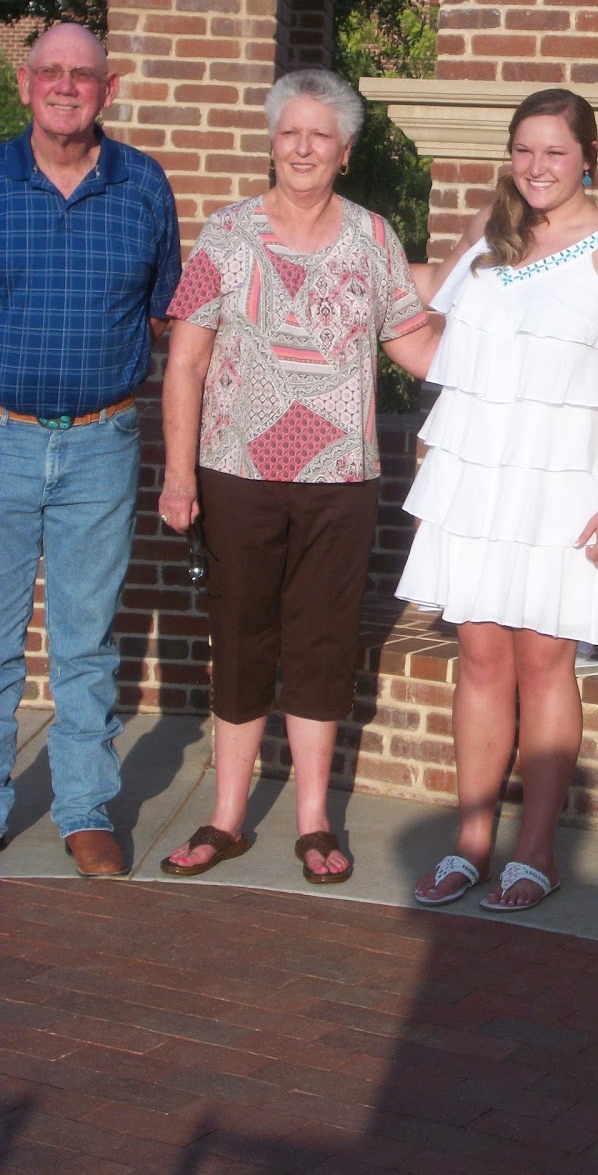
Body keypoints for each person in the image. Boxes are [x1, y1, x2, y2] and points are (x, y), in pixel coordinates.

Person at [158, 69, 438, 886]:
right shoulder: (226, 234)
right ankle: (226, 816)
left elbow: (414, 347)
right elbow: (186, 363)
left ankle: (314, 820)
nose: (304, 147)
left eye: (321, 135)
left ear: (345, 152)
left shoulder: (372, 239)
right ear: (272, 143)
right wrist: (180, 477)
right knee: (241, 640)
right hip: (235, 472)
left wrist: (510, 345)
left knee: (321, 643)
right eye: (291, 132)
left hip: (341, 479)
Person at [400, 88, 598, 912]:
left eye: (555, 151)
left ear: (587, 154)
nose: (538, 166)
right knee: (480, 659)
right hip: (477, 477)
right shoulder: (486, 239)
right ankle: (472, 844)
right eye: (524, 150)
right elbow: (419, 334)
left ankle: (539, 851)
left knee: (546, 662)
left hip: (569, 482)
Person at [0, 21, 181, 877]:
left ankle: (83, 807)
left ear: (109, 89)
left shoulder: (143, 184)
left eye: (84, 75)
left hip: (103, 443)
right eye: (51, 72)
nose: (66, 86)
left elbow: (171, 312)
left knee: (85, 639)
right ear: (27, 82)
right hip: (2, 437)